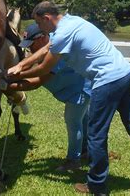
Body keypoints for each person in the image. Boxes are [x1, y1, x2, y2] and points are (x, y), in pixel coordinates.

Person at [8, 1, 130, 195]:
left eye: (39, 23)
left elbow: (44, 67)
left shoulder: (63, 33)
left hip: (107, 81)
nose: (41, 28)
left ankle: (96, 185)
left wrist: (15, 75)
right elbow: (46, 49)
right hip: (125, 74)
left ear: (46, 18)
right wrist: (21, 65)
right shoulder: (72, 21)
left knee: (96, 135)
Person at [8, 23, 91, 172]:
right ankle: (87, 151)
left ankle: (74, 160)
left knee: (73, 122)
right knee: (83, 121)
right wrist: (15, 71)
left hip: (80, 89)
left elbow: (37, 82)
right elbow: (31, 60)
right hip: (74, 87)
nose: (29, 49)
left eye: (31, 45)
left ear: (42, 38)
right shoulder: (47, 44)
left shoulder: (57, 52)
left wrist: (8, 86)